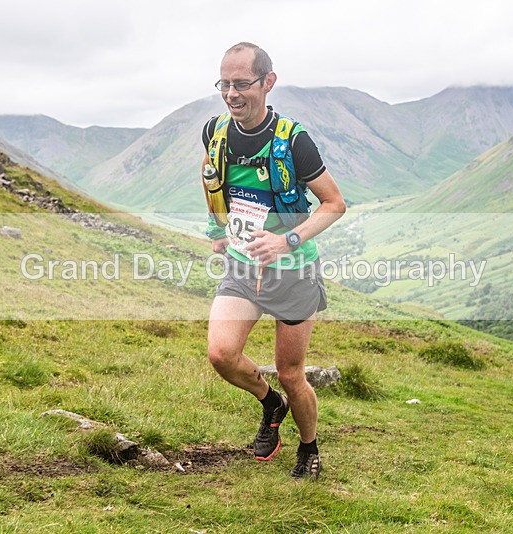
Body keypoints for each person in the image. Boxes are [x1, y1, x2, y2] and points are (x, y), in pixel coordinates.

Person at [201, 42, 345, 480]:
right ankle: (270, 404)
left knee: (291, 372)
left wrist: (289, 240)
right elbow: (209, 175)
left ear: (268, 82)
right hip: (243, 268)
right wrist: (217, 230)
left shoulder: (294, 140)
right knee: (221, 354)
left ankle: (309, 448)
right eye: (224, 84)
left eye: (241, 83)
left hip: (294, 271)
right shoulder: (215, 132)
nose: (231, 93)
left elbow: (334, 204)